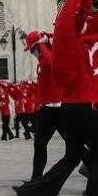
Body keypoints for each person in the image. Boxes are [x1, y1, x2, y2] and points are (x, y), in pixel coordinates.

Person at [14, 0, 98, 196]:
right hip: (82, 107)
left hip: (68, 109)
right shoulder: (67, 47)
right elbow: (82, 15)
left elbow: (81, 12)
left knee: (72, 156)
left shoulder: (62, 41)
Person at [23, 30, 63, 180]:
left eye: (33, 49)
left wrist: (44, 44)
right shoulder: (41, 61)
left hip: (60, 108)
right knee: (39, 144)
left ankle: (94, 171)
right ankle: (35, 179)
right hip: (46, 109)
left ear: (39, 46)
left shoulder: (51, 56)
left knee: (74, 146)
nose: (32, 53)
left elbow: (52, 62)